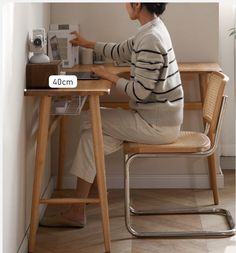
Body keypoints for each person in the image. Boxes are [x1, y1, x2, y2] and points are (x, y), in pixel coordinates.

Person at [62, 2, 184, 227]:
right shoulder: (151, 29)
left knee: (91, 118)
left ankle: (88, 199)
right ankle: (81, 206)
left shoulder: (151, 39)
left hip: (157, 126)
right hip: (155, 119)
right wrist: (85, 43)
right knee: (90, 137)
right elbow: (121, 50)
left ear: (137, 4)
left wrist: (108, 75)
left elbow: (139, 91)